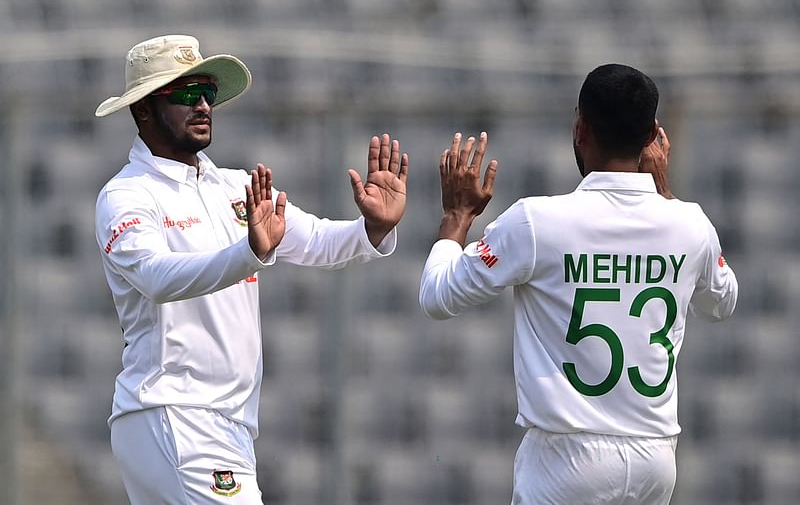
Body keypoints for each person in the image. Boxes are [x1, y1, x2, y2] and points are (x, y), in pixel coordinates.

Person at [94, 34, 409, 504]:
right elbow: (157, 279)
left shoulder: (235, 186)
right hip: (173, 410)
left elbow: (321, 241)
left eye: (208, 92)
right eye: (184, 93)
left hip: (227, 420)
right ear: (142, 110)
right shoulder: (127, 195)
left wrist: (373, 228)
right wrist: (249, 254)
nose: (202, 104)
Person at [419, 64, 737, 504]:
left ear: (581, 127)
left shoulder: (536, 221)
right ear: (652, 137)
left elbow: (437, 296)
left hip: (566, 459)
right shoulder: (690, 222)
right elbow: (722, 302)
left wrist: (457, 216)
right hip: (655, 458)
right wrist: (665, 195)